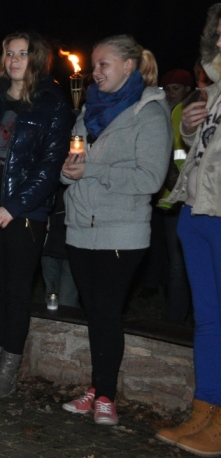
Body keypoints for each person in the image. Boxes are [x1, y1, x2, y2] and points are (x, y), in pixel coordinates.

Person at [60, 35, 170, 426]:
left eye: (105, 64)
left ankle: (106, 395)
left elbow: (151, 178)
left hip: (121, 232)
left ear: (128, 66)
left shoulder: (149, 113)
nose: (96, 71)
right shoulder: (88, 109)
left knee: (106, 312)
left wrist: (92, 170)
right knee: (96, 314)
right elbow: (72, 161)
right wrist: (69, 170)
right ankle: (96, 388)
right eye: (95, 64)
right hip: (80, 228)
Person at [0, 31, 71, 398]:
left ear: (37, 58)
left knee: (18, 289)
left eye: (23, 53)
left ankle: (8, 369)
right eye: (10, 53)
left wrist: (16, 206)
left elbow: (50, 163)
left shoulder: (52, 102)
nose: (15, 60)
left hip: (25, 213)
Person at [156, 6, 221, 455]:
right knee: (208, 320)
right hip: (195, 211)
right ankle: (205, 408)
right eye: (218, 34)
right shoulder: (213, 92)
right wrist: (188, 129)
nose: (220, 42)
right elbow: (196, 154)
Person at [153, 68, 197, 323]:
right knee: (176, 263)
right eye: (168, 88)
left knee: (185, 264)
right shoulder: (167, 112)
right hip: (172, 198)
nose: (171, 93)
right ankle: (174, 320)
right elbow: (167, 150)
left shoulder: (188, 111)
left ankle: (182, 318)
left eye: (176, 88)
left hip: (190, 196)